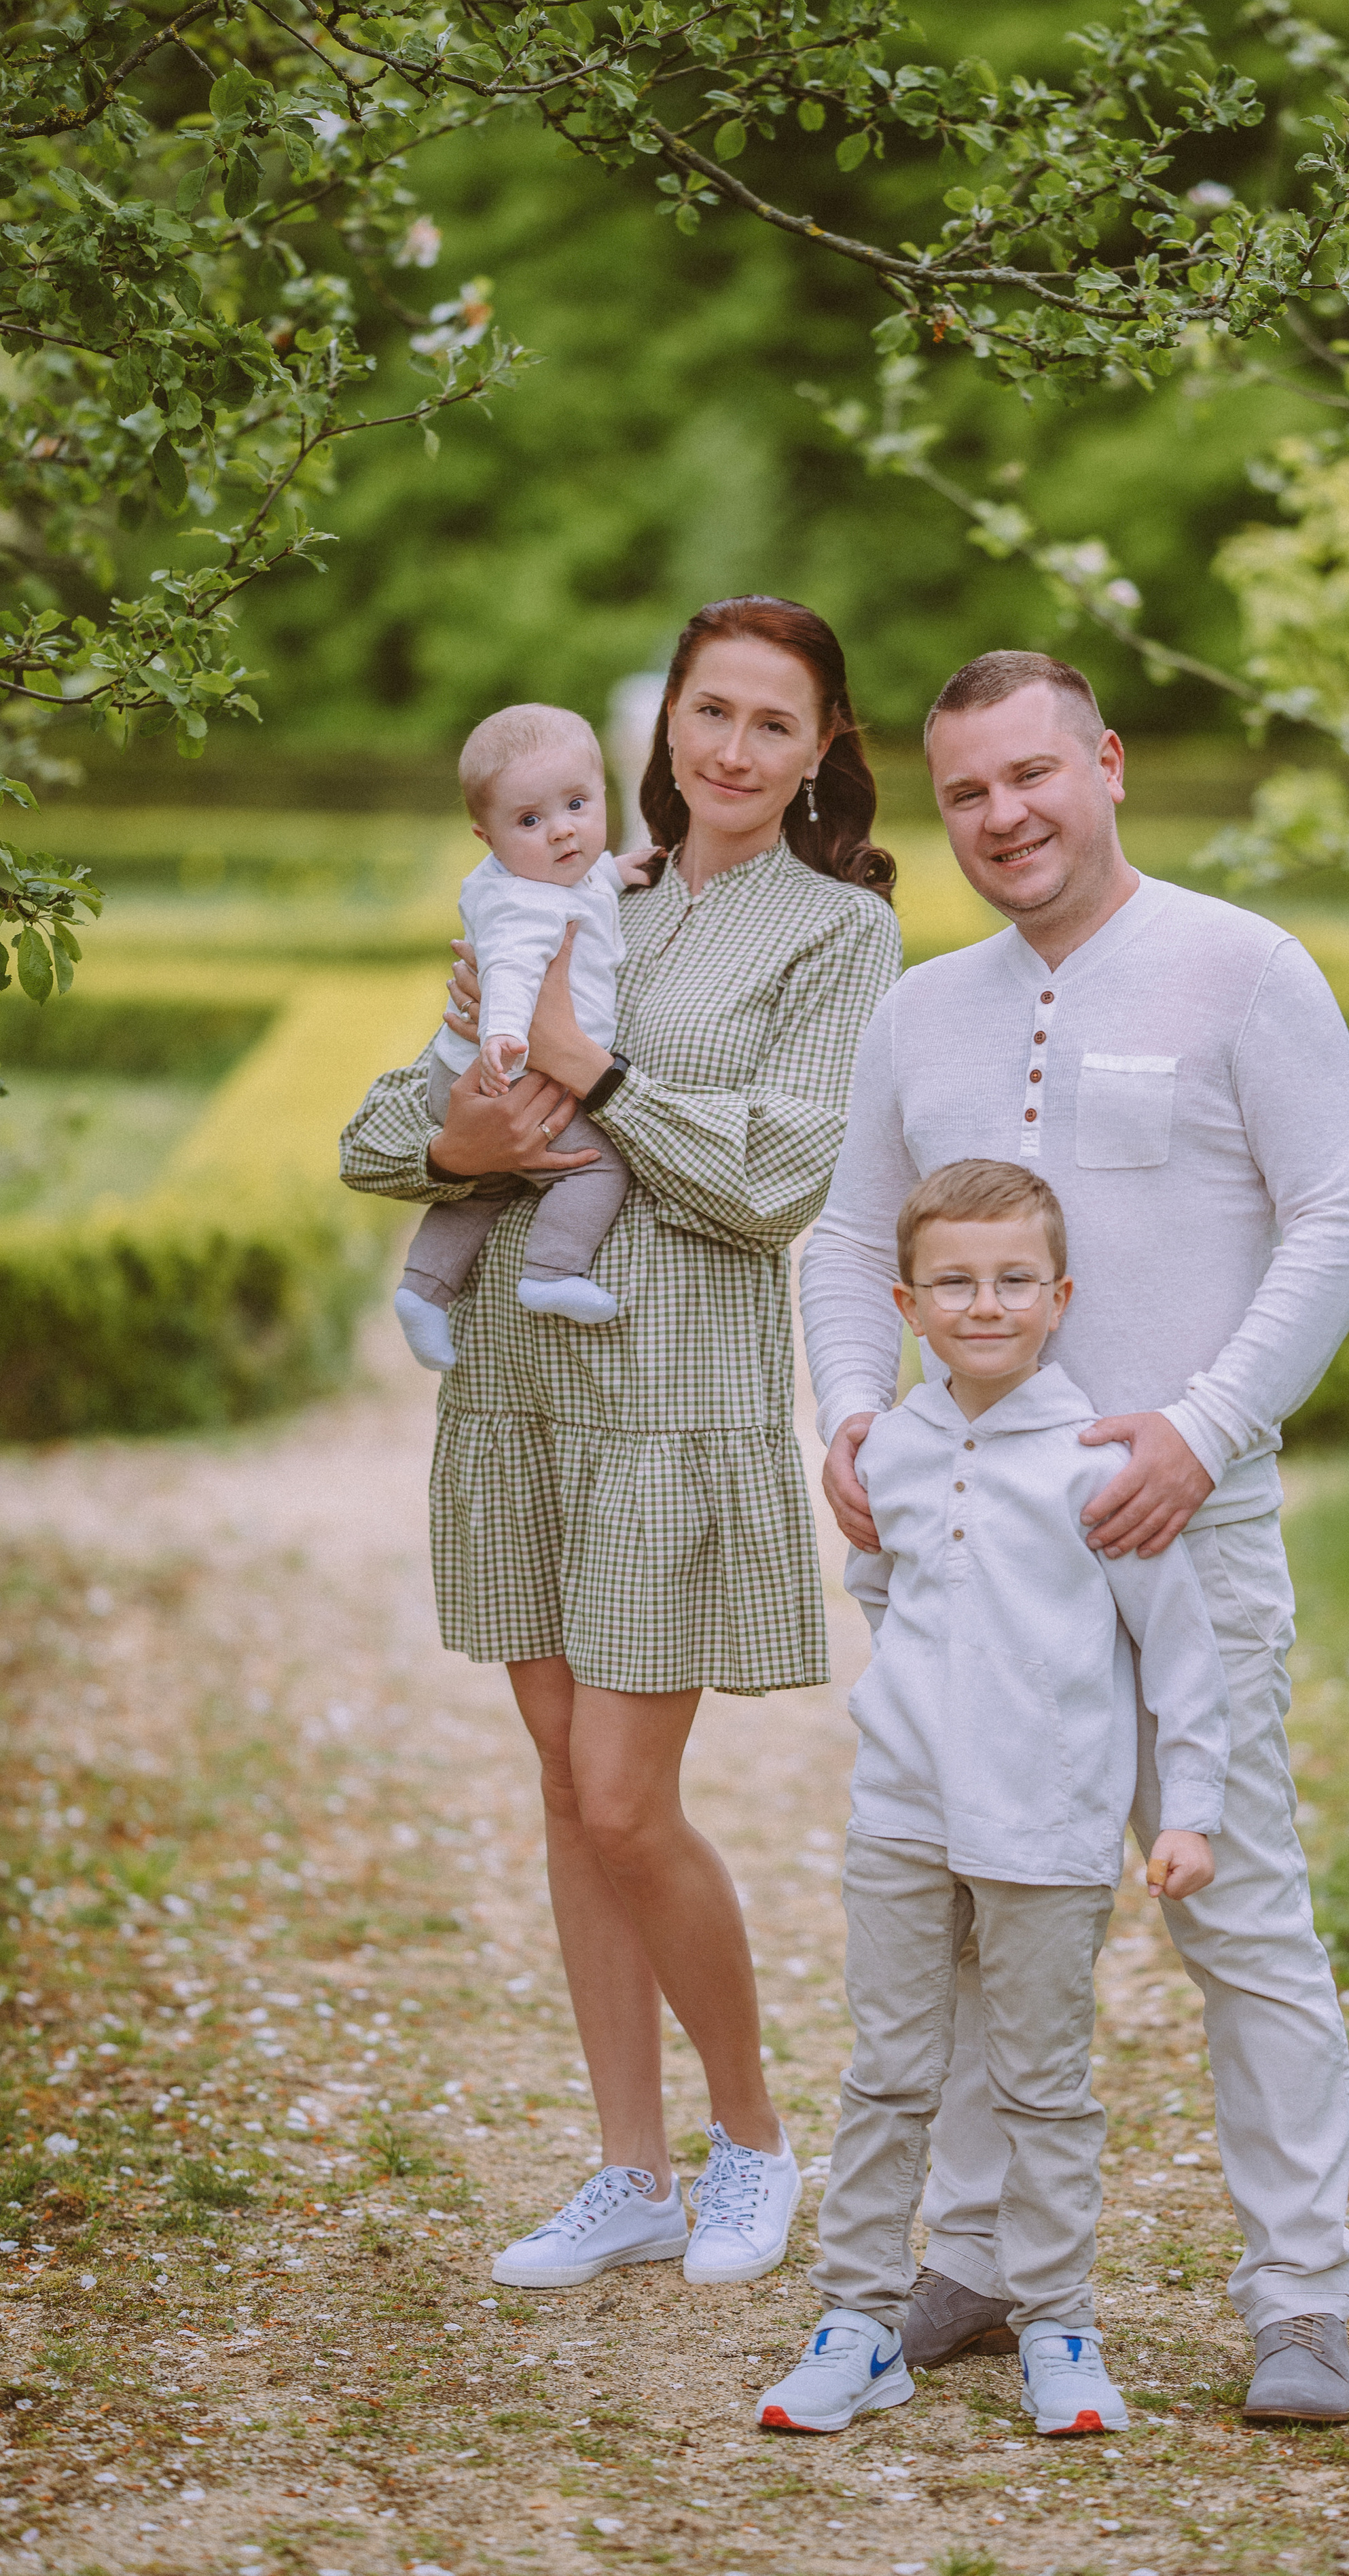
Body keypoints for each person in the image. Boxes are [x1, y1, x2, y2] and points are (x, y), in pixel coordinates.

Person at [799, 650, 1349, 2425]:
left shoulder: (1243, 968)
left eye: (1033, 774)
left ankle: (1300, 2298)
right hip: (973, 1563)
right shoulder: (924, 1010)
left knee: (1245, 1916)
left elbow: (1342, 1214)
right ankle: (972, 2255)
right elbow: (847, 1244)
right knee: (981, 1905)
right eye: (968, 790)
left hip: (1179, 1534)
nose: (1003, 816)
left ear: (1109, 763)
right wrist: (848, 1413)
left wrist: (1205, 1432)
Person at [340, 597, 903, 2292]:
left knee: (619, 1792)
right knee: (562, 1795)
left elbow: (771, 1184)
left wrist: (598, 1066)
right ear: (665, 726)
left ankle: (751, 2139)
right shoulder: (580, 879)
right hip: (516, 1388)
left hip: (675, 1403)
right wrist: (454, 1131)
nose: (728, 751)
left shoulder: (838, 936)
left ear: (818, 750)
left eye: (770, 725)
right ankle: (628, 2169)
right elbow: (388, 1132)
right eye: (705, 714)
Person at [757, 1159, 1229, 2439]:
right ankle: (857, 2321)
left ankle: (1060, 2323)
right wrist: (919, 1700)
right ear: (908, 1305)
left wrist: (1188, 1807)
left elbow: (1181, 1647)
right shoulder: (892, 1447)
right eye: (955, 1282)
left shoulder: (1096, 1459)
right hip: (903, 1814)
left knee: (1043, 2084)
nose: (985, 1303)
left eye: (1013, 1279)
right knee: (889, 2073)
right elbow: (885, 1591)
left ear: (1059, 1294)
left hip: (1050, 1823)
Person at [394, 703, 647, 1374]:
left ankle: (423, 1289)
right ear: (487, 836)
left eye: (577, 804)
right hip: (505, 1069)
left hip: (476, 1072)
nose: (563, 832)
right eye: (530, 821)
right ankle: (552, 1272)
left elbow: (589, 878)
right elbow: (507, 966)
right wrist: (504, 1033)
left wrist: (620, 870)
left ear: (603, 795)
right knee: (597, 1165)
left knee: (492, 1181)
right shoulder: (520, 902)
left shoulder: (560, 869)